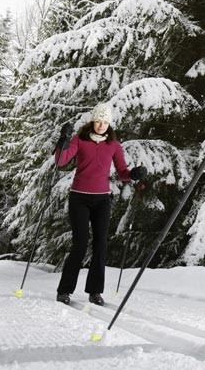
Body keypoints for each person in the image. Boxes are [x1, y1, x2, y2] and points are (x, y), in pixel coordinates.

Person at [53, 102, 146, 306]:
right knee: (80, 244)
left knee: (101, 245)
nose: (101, 125)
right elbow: (60, 161)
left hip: (102, 199)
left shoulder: (113, 145)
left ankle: (95, 292)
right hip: (79, 197)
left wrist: (133, 174)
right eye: (98, 121)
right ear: (93, 121)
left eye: (105, 122)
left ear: (109, 123)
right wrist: (64, 140)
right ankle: (64, 290)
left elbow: (122, 172)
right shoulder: (80, 140)